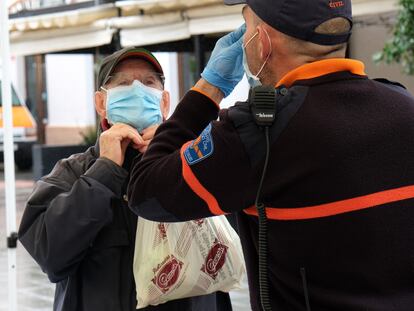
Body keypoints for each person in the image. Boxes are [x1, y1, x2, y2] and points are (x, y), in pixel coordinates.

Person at [127, 1, 414, 310]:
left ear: (261, 42)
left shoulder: (256, 132)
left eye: (247, 27)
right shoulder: (405, 107)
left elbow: (146, 191)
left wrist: (208, 90)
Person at [18, 47, 233, 311]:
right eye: (123, 83)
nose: (137, 91)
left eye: (148, 82)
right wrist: (105, 170)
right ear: (101, 103)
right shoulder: (71, 173)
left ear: (164, 102)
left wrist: (175, 156)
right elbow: (50, 254)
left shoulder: (191, 160)